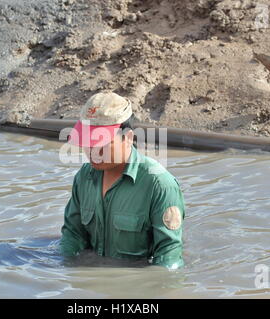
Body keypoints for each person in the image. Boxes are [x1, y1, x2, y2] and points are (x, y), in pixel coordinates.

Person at [60, 91, 186, 269]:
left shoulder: (159, 185)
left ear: (128, 138)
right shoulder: (84, 177)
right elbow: (72, 235)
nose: (93, 151)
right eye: (87, 142)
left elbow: (169, 256)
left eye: (101, 143)